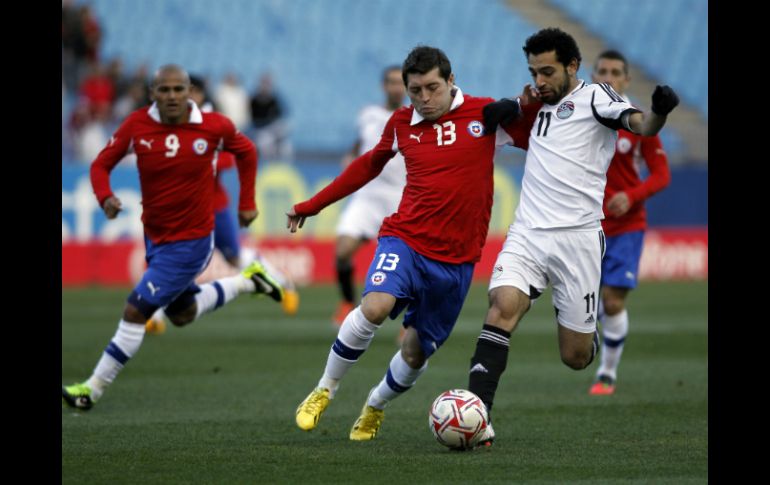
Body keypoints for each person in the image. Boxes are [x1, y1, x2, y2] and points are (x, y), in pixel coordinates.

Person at [286, 46, 536, 441]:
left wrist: (529, 104)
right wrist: (312, 206)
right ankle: (324, 389)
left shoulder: (486, 115)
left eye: (432, 88)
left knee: (416, 352)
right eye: (415, 90)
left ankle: (375, 404)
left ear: (451, 81)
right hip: (406, 238)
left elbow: (540, 137)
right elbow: (366, 166)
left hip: (456, 261)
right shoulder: (401, 123)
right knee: (374, 305)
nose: (424, 98)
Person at [466, 28, 679, 446]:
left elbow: (641, 125)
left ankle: (588, 332)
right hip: (528, 232)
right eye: (533, 72)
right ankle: (476, 416)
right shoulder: (536, 103)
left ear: (572, 67)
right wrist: (506, 106)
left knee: (575, 357)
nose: (539, 80)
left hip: (579, 240)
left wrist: (659, 113)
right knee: (501, 305)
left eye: (547, 71)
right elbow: (492, 124)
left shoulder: (597, 97)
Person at [62, 65, 286, 410]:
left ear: (189, 92)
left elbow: (247, 152)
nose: (171, 96)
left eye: (178, 90)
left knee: (136, 311)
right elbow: (100, 165)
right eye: (163, 90)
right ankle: (248, 282)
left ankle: (91, 390)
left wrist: (246, 203)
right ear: (152, 92)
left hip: (192, 242)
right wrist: (104, 196)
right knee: (183, 313)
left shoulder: (214, 126)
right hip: (156, 237)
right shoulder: (137, 126)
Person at [144, 75, 299, 334]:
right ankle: (154, 317)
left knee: (234, 255)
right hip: (179, 207)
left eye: (192, 93)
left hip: (213, 206)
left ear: (203, 96)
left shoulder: (211, 123)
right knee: (166, 259)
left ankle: (282, 283)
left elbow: (230, 159)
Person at [587, 50, 671, 395]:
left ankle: (607, 373)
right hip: (587, 226)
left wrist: (631, 196)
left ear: (626, 80)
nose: (608, 77)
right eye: (602, 71)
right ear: (592, 76)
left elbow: (661, 174)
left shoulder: (637, 122)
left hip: (627, 226)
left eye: (615, 72)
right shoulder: (582, 118)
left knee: (612, 300)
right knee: (587, 304)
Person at [332, 65, 407, 326]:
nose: (395, 87)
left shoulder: (416, 116)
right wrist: (351, 156)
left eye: (400, 82)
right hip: (368, 195)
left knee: (413, 262)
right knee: (342, 251)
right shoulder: (369, 114)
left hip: (401, 196)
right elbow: (360, 142)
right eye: (390, 82)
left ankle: (413, 321)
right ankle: (346, 303)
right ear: (383, 86)